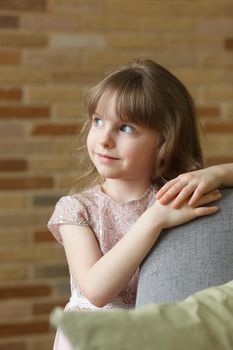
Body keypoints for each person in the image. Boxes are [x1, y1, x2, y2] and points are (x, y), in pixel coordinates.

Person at [47, 59, 233, 350]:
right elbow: (97, 290)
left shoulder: (174, 195)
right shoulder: (76, 209)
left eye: (126, 128)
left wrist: (217, 172)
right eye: (98, 121)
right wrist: (153, 219)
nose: (104, 139)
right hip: (93, 340)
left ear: (164, 142)